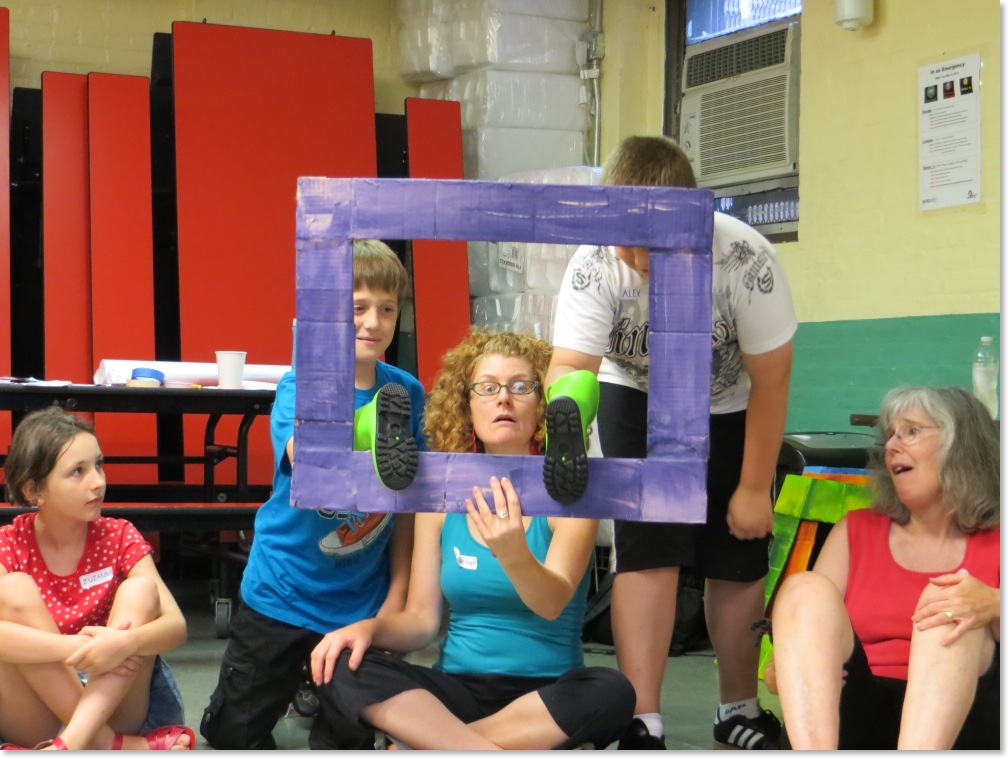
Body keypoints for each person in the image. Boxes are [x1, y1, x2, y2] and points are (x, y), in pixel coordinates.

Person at [544, 135, 797, 749]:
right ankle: (643, 716)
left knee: (736, 551)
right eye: (625, 239)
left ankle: (738, 710)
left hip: (729, 401)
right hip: (634, 394)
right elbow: (569, 367)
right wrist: (565, 425)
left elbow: (772, 381)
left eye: (651, 242)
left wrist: (753, 488)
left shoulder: (745, 259)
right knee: (647, 548)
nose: (636, 257)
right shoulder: (595, 264)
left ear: (691, 216)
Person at [309, 329, 636, 749]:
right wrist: (367, 629)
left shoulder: (571, 492)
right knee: (340, 663)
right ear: (466, 406)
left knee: (612, 692)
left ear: (544, 405)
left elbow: (552, 603)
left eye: (521, 387)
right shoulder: (441, 498)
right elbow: (421, 621)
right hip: (456, 691)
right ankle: (473, 746)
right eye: (488, 387)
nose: (504, 399)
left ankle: (430, 744)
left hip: (545, 695)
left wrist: (514, 553)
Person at [200, 238, 426, 750]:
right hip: (282, 589)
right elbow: (304, 457)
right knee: (234, 734)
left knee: (346, 743)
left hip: (357, 602)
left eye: (387, 309)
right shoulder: (299, 385)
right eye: (357, 308)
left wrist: (396, 598)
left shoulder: (408, 393)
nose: (373, 322)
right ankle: (286, 689)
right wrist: (329, 384)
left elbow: (410, 506)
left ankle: (317, 693)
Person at [766, 386, 999, 749]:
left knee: (949, 604)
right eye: (890, 435)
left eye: (911, 431)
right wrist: (784, 668)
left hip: (968, 721)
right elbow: (799, 637)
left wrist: (996, 604)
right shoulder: (856, 530)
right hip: (857, 710)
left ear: (961, 445)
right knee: (804, 589)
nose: (891, 445)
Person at [0, 407, 192, 750]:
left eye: (98, 465)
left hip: (112, 698)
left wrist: (125, 644)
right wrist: (80, 648)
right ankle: (113, 745)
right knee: (13, 589)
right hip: (36, 712)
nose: (98, 482)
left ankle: (72, 743)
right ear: (33, 490)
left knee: (141, 590)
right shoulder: (9, 543)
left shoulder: (120, 536)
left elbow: (175, 626)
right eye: (78, 471)